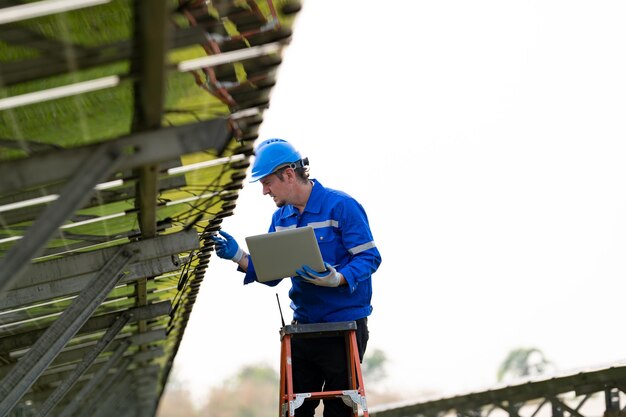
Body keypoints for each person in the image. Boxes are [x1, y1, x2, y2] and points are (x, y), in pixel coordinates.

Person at [211, 138, 382, 417]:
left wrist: (337, 278)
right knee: (295, 411)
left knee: (339, 411)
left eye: (267, 183)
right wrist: (238, 256)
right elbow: (272, 273)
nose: (264, 191)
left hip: (344, 327)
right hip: (304, 327)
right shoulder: (281, 218)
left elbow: (370, 258)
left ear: (289, 175)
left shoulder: (342, 206)